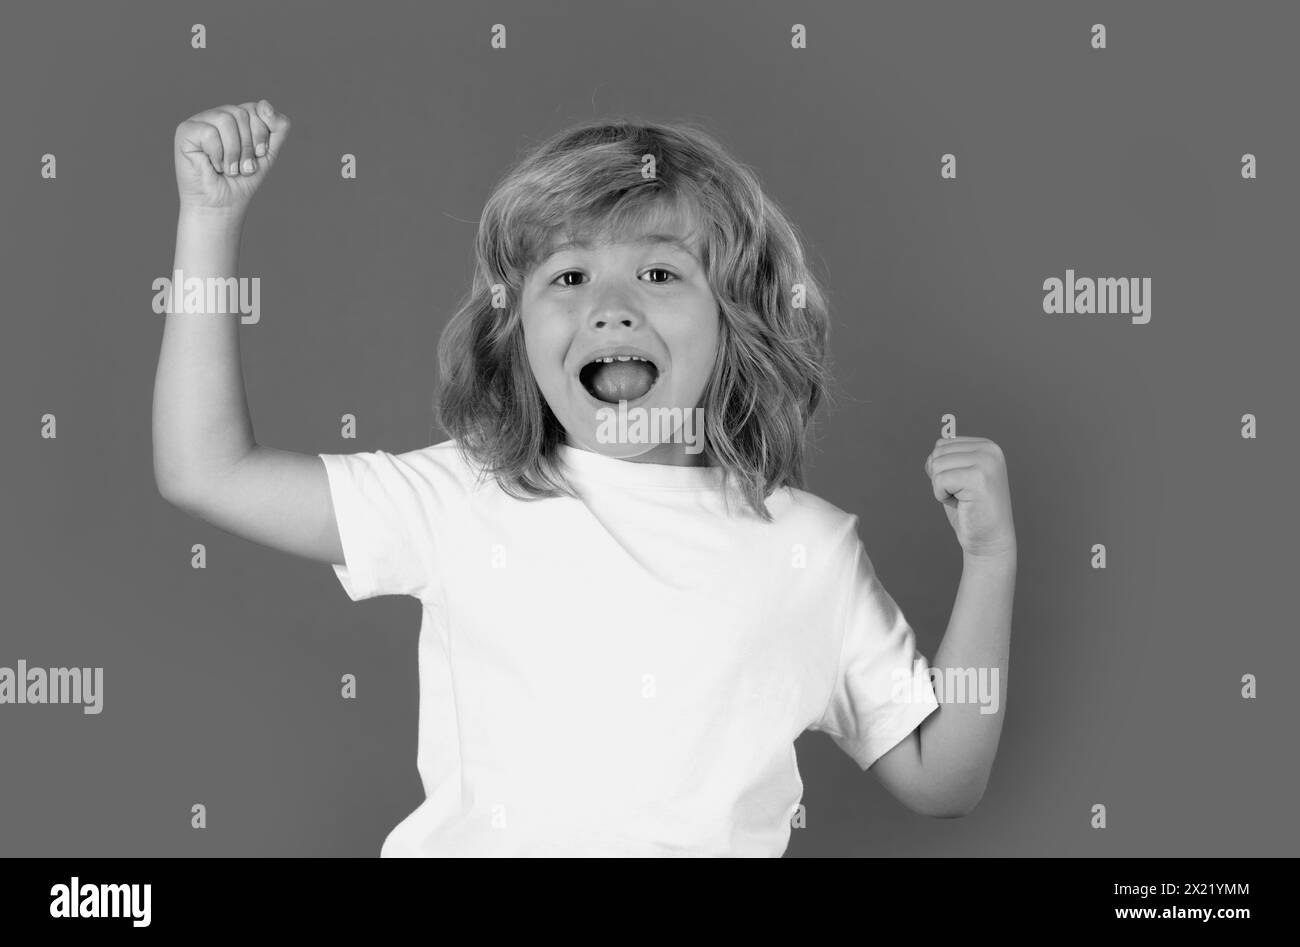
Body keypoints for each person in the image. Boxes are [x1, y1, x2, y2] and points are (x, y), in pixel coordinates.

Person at [153, 99, 1018, 857]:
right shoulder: (465, 495)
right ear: (516, 332)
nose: (611, 303)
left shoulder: (808, 549)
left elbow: (943, 778)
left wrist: (990, 562)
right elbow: (207, 470)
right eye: (568, 275)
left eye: (658, 272)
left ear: (734, 324)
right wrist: (209, 219)